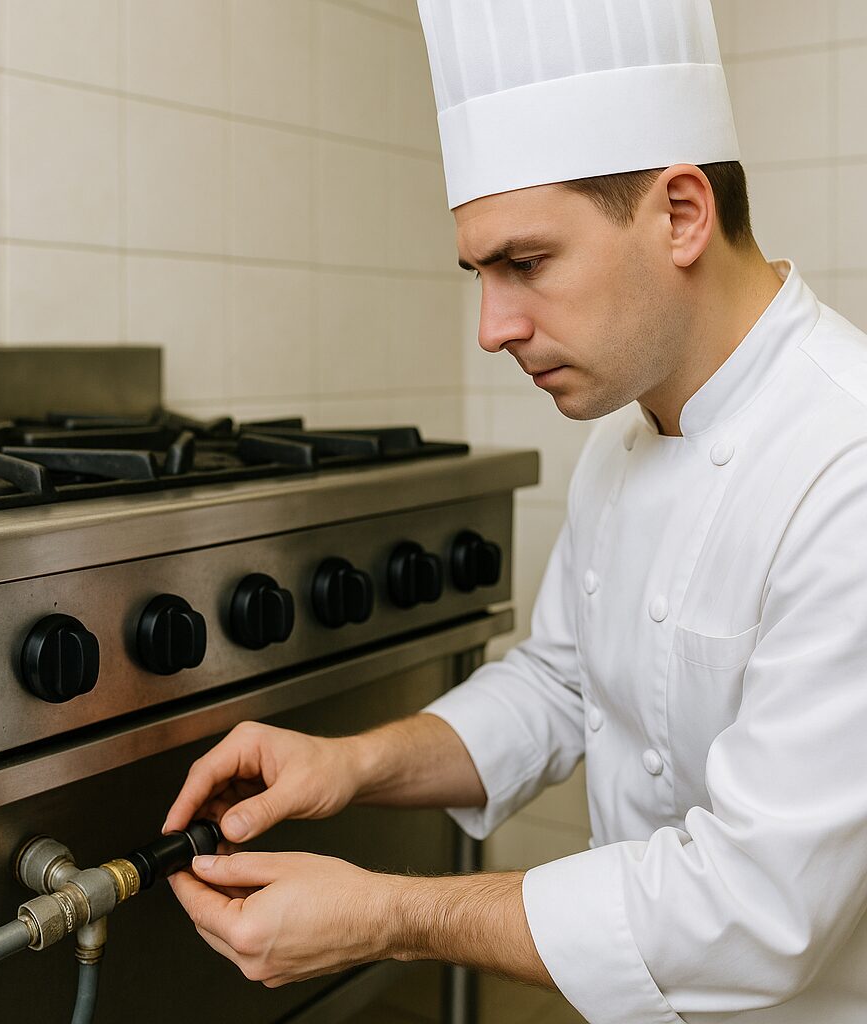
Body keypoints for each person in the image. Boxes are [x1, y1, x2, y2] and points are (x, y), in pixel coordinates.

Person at [165, 2, 867, 1021]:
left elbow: (753, 910)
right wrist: (348, 764)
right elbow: (560, 685)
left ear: (681, 214)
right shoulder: (622, 437)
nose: (493, 328)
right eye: (480, 275)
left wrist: (387, 914)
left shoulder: (846, 464)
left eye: (525, 264)